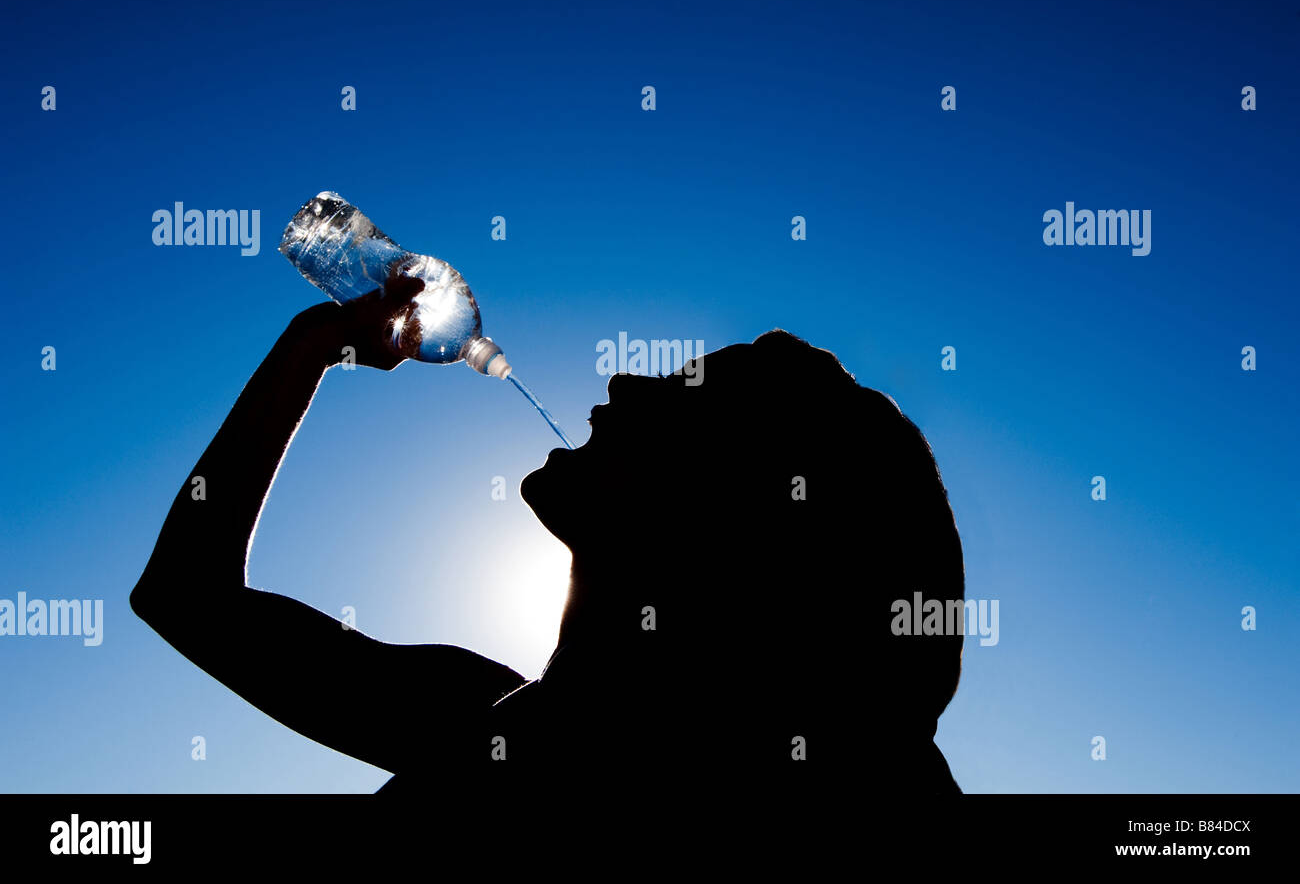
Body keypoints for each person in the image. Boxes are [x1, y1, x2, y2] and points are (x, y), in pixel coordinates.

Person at [131, 276, 965, 794]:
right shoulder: (483, 718)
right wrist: (308, 350)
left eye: (683, 394)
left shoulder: (826, 775)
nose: (623, 379)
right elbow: (186, 597)